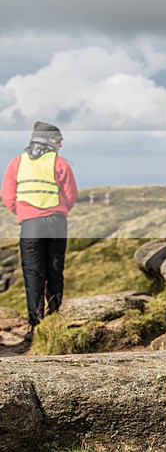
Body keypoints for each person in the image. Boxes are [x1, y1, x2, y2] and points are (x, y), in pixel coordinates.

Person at [1, 122, 78, 340]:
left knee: (33, 274)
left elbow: (7, 196)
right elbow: (71, 195)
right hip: (56, 222)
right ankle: (53, 317)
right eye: (58, 140)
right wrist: (59, 210)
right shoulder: (60, 163)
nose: (61, 144)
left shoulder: (17, 163)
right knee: (55, 270)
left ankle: (35, 325)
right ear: (48, 140)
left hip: (30, 224)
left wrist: (24, 212)